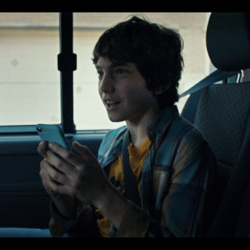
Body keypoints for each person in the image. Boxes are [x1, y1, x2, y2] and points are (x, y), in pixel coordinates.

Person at [37, 15, 216, 237]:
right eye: (100, 73)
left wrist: (102, 193)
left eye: (120, 72)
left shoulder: (187, 149)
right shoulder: (111, 143)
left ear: (160, 81)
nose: (104, 86)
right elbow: (89, 229)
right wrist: (63, 197)